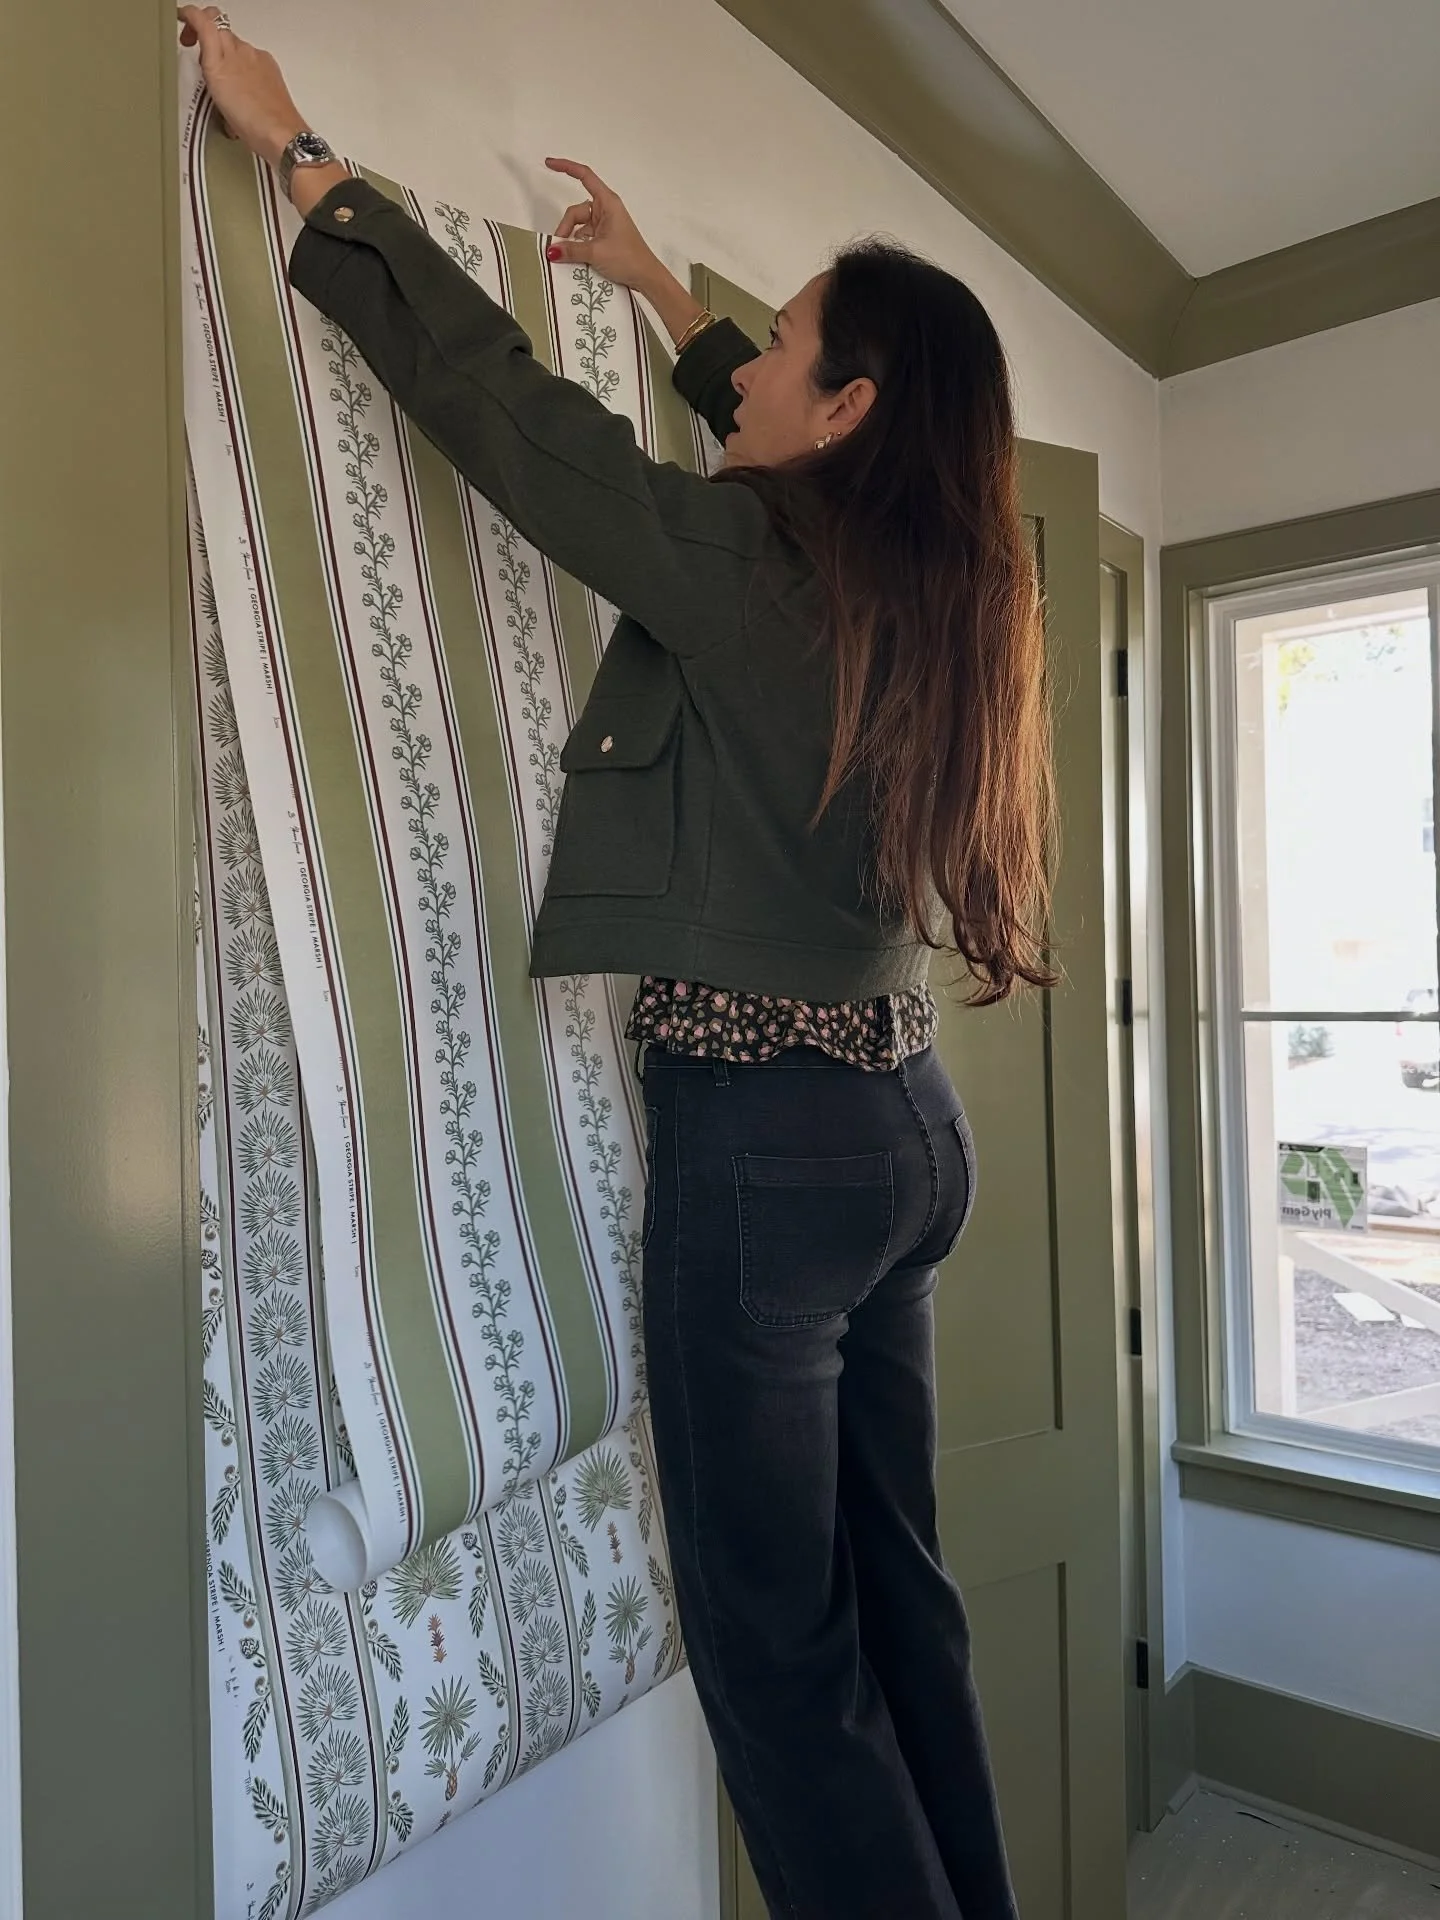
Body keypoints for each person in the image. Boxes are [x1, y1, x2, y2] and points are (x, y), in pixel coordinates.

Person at [180, 10, 1055, 1915]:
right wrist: (666, 289)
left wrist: (304, 159)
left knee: (781, 1665)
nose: (749, 367)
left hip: (776, 1159)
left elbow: (516, 421)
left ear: (846, 416)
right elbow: (767, 434)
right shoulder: (958, 595)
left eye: (785, 344)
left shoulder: (756, 568)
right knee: (901, 1608)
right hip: (906, 1142)